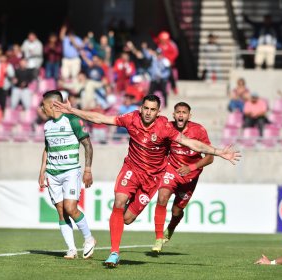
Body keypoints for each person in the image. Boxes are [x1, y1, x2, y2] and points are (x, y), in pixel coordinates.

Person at [53, 94, 241, 268]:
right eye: (146, 108)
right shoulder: (131, 118)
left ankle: (124, 224)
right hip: (132, 169)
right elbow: (101, 118)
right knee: (119, 202)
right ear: (141, 108)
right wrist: (73, 110)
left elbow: (190, 142)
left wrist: (217, 152)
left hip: (152, 178)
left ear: (158, 112)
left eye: (153, 109)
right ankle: (114, 253)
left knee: (127, 219)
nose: (148, 112)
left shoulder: (165, 127)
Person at [38, 90, 96, 259]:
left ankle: (89, 239)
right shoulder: (47, 126)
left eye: (43, 105)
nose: (42, 109)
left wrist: (87, 169)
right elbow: (47, 149)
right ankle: (71, 249)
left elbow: (88, 145)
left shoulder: (72, 120)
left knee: (71, 208)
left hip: (71, 171)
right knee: (61, 211)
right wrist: (42, 171)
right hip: (52, 174)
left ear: (52, 105)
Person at [151, 102, 214, 252]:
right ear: (173, 114)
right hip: (172, 170)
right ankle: (159, 237)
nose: (180, 114)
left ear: (189, 116)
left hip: (190, 176)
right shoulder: (168, 127)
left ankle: (171, 227)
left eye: (184, 112)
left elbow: (210, 157)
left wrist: (191, 168)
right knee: (162, 197)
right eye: (178, 112)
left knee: (176, 211)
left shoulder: (198, 130)